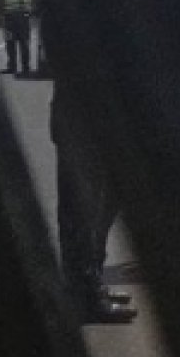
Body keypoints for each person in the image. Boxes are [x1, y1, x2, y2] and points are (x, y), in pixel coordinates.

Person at [49, 61, 137, 324]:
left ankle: (91, 282)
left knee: (101, 200)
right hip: (80, 116)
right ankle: (85, 296)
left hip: (96, 114)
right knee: (80, 207)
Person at [0, 0, 35, 75]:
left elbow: (0, 3)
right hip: (25, 18)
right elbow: (33, 2)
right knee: (24, 42)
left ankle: (12, 67)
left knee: (10, 42)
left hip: (10, 18)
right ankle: (26, 67)